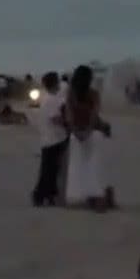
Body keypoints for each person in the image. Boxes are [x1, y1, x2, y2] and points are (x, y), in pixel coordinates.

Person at [62, 64, 112, 211]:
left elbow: (69, 116)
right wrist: (88, 131)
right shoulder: (94, 94)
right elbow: (94, 116)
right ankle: (95, 194)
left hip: (76, 134)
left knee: (77, 166)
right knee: (94, 165)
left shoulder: (71, 94)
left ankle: (78, 195)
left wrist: (76, 132)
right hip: (93, 134)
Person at [31, 71, 67, 207]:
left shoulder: (49, 99)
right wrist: (68, 123)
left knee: (51, 170)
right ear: (55, 83)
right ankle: (39, 195)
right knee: (48, 170)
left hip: (50, 138)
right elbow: (55, 118)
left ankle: (49, 195)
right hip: (53, 139)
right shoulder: (51, 100)